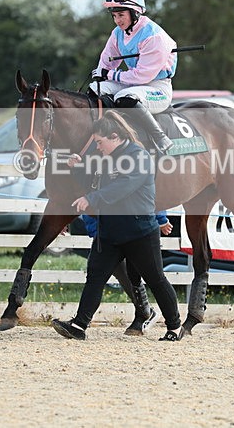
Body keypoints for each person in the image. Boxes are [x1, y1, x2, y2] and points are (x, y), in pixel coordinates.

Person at [52, 112, 183, 341]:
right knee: (95, 277)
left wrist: (92, 199)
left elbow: (123, 187)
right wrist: (77, 168)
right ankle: (79, 325)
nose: (98, 147)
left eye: (100, 142)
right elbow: (92, 184)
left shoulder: (139, 156)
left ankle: (174, 327)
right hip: (110, 232)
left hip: (139, 232)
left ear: (115, 137)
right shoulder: (105, 158)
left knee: (156, 279)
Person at [90, 0, 177, 154]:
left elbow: (141, 77)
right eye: (114, 16)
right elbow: (106, 61)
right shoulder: (117, 33)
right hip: (133, 84)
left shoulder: (154, 37)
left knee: (125, 97)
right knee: (95, 90)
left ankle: (160, 138)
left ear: (135, 13)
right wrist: (101, 74)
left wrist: (109, 74)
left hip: (157, 88)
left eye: (121, 15)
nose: (117, 20)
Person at [79, 212, 173, 336]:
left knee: (135, 271)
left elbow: (151, 194)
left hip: (124, 226)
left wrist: (160, 217)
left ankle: (152, 314)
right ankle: (145, 311)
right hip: (103, 227)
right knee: (116, 271)